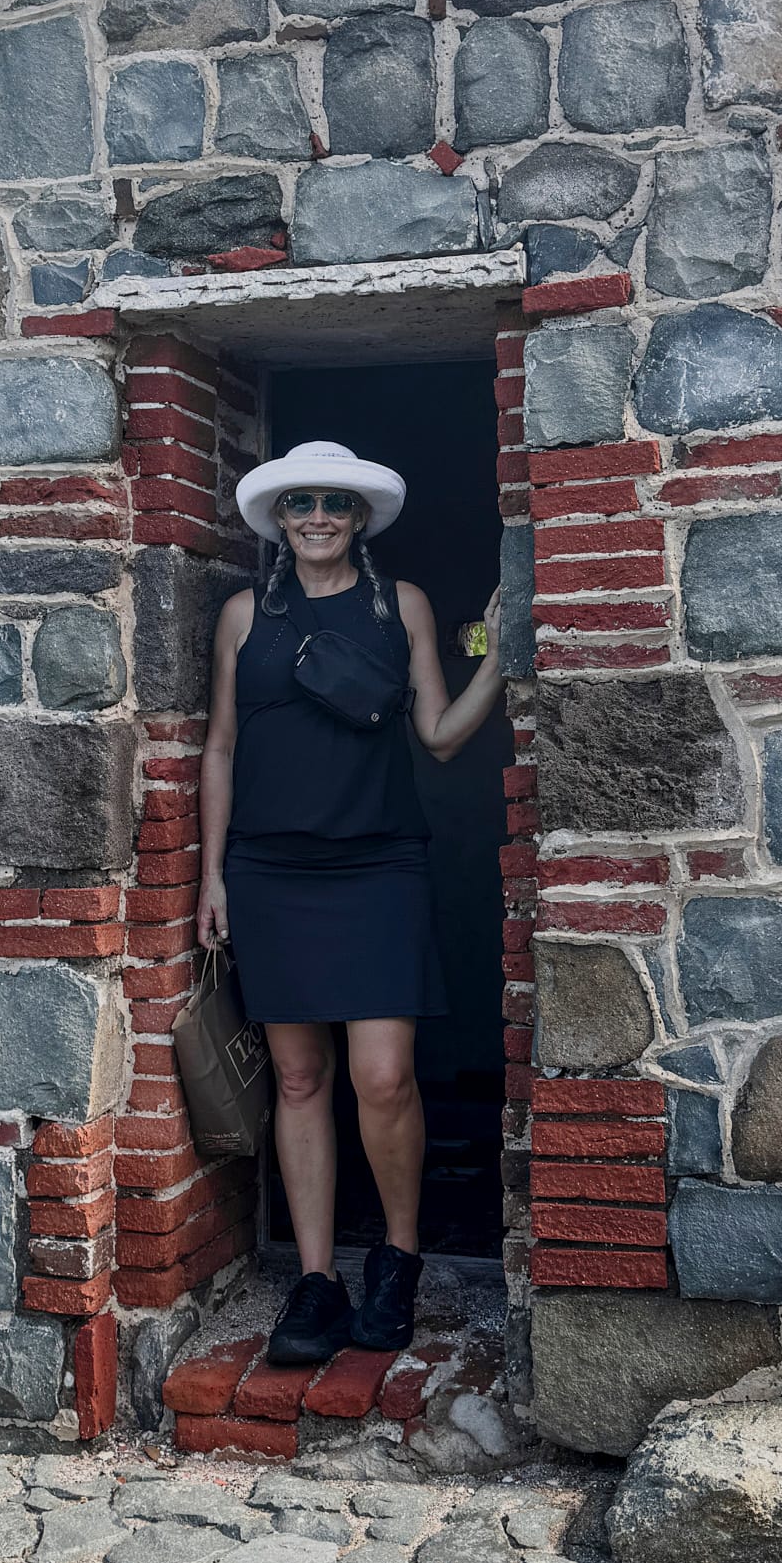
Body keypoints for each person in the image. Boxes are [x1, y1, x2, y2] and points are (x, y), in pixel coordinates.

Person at [197, 440, 505, 1366]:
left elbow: (439, 735)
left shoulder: (397, 604)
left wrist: (499, 653)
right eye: (301, 504)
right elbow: (220, 747)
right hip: (269, 871)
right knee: (297, 1080)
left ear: (360, 517)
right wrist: (212, 876)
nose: (318, 517)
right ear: (279, 520)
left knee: (382, 1077)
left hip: (378, 866)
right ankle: (316, 1280)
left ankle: (397, 1263)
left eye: (335, 502)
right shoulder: (244, 615)